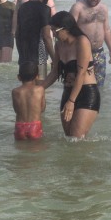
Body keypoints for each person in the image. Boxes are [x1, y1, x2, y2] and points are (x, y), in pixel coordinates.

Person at [43, 11, 101, 140]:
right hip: (68, 91)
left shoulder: (82, 41)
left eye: (55, 30)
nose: (53, 34)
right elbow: (55, 72)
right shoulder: (58, 45)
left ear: (66, 28)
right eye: (52, 31)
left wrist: (71, 101)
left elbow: (81, 73)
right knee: (69, 139)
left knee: (76, 138)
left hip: (87, 93)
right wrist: (39, 88)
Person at [70, 0, 111, 87]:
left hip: (99, 53)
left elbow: (107, 30)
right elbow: (68, 30)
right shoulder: (78, 7)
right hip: (82, 52)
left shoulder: (103, 9)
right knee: (81, 84)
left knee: (99, 86)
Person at [15, 0, 55, 74]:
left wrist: (21, 54)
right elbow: (46, 37)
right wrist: (55, 58)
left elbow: (17, 33)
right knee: (40, 83)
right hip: (39, 53)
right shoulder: (45, 9)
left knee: (26, 84)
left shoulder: (23, 8)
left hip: (24, 53)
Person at [11, 61, 45, 141]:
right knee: (36, 150)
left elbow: (16, 110)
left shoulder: (15, 91)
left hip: (19, 127)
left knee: (20, 151)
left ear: (19, 77)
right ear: (37, 76)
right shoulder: (40, 89)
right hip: (35, 126)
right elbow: (42, 109)